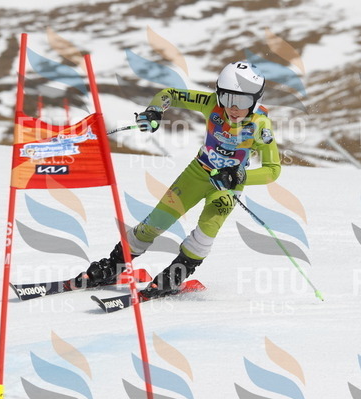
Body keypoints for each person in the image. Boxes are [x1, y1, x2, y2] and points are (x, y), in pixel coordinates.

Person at [79, 61, 281, 300]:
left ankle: (174, 275)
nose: (234, 108)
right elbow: (170, 94)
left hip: (226, 186)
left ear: (256, 100)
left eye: (243, 101)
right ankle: (114, 265)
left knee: (206, 232)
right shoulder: (211, 104)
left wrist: (239, 175)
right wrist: (154, 111)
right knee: (155, 222)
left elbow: (272, 170)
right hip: (197, 173)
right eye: (227, 98)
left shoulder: (260, 126)